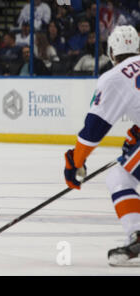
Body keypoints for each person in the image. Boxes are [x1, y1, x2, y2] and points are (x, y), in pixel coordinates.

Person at [63, 25, 140, 266]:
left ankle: (137, 234)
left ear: (111, 52)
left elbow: (92, 132)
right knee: (121, 175)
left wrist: (75, 162)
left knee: (119, 178)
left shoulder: (115, 77)